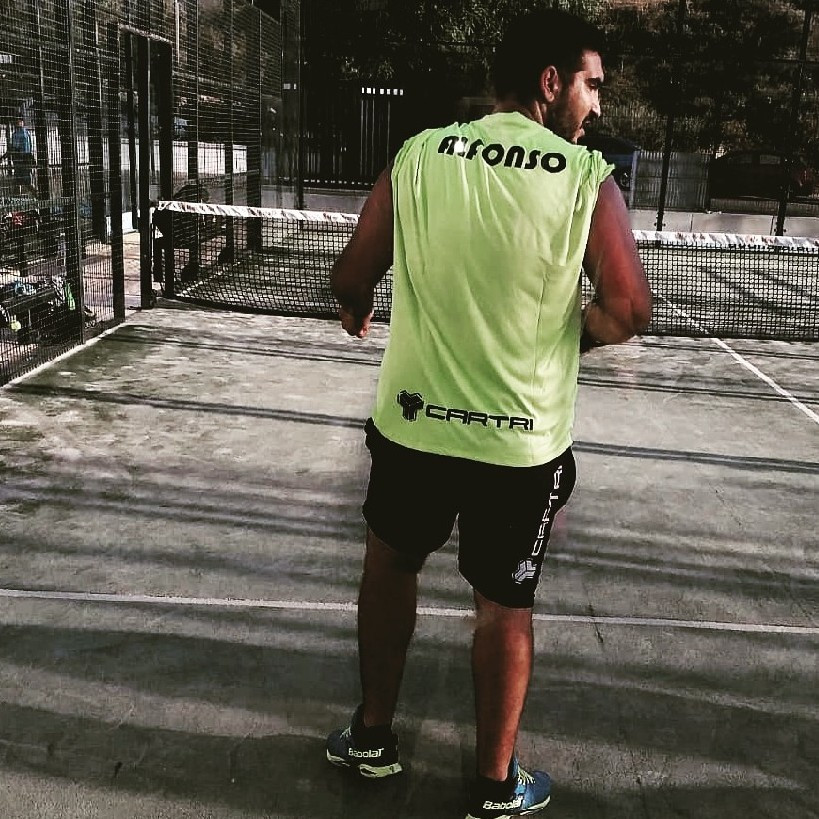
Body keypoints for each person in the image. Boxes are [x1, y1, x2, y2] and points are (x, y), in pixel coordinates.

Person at [326, 9, 651, 819]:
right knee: (502, 609)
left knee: (389, 568)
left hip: (412, 427)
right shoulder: (584, 178)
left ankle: (371, 736)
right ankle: (494, 787)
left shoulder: (418, 155)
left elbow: (352, 274)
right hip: (519, 445)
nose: (596, 105)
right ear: (550, 82)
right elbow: (628, 307)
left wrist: (357, 304)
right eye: (591, 85)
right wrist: (572, 335)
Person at [3, 118, 36, 194]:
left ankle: (39, 196)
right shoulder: (27, 133)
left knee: (24, 182)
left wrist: (4, 157)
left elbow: (14, 149)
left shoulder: (17, 134)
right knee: (19, 182)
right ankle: (17, 199)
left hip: (20, 161)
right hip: (26, 160)